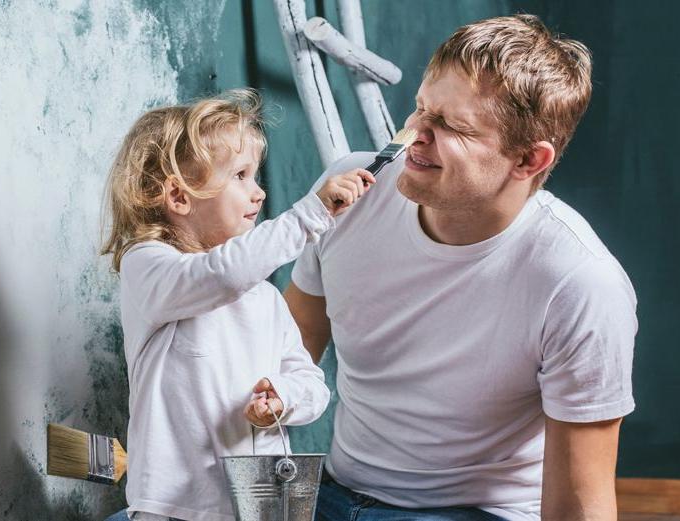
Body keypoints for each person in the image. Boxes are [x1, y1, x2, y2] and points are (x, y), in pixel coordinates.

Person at [284, 14, 637, 521]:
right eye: (421, 109)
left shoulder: (580, 283)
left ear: (529, 160)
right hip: (332, 497)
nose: (413, 135)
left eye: (451, 125)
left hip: (473, 512)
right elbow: (281, 350)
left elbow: (581, 505)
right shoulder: (349, 190)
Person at [100, 90, 374, 521]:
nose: (259, 193)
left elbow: (314, 385)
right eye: (241, 175)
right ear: (180, 197)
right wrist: (311, 214)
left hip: (261, 508)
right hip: (173, 509)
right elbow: (220, 275)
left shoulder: (264, 298)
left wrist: (282, 399)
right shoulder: (150, 269)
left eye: (256, 175)